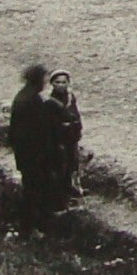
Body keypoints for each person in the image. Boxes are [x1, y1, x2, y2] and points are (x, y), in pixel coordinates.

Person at [9, 63, 61, 232]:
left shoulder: (24, 97)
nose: (45, 83)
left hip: (26, 155)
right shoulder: (32, 101)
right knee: (36, 191)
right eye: (44, 80)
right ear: (38, 80)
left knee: (32, 189)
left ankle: (31, 227)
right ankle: (33, 228)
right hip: (34, 155)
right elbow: (40, 131)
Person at [47, 69, 84, 200]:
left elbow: (76, 114)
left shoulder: (70, 97)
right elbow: (50, 123)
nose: (61, 85)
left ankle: (74, 187)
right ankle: (61, 193)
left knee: (73, 162)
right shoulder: (50, 102)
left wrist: (77, 128)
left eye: (64, 82)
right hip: (58, 139)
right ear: (52, 84)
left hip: (71, 136)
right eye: (58, 82)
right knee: (60, 165)